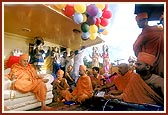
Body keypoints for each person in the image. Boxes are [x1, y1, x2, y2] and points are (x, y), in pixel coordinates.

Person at [133, 12, 164, 78]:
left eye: (139, 21)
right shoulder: (158, 29)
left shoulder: (147, 32)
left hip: (148, 63)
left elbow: (135, 46)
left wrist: (143, 57)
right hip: (159, 60)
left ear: (145, 21)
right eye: (137, 22)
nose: (138, 24)